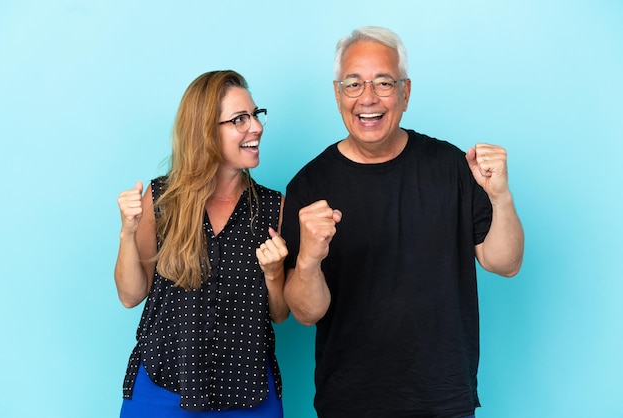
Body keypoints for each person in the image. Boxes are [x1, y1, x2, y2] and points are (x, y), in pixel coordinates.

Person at [281, 26, 524, 418]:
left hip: (443, 398)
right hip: (349, 400)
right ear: (338, 94)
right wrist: (309, 258)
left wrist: (501, 196)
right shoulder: (310, 185)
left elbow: (505, 263)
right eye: (354, 84)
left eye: (383, 82)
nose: (368, 98)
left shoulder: (451, 168)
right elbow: (307, 314)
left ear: (406, 93)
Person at [114, 70, 289, 418]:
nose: (256, 127)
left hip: (249, 391)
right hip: (164, 386)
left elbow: (280, 314)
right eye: (240, 119)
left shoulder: (273, 206)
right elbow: (131, 296)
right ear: (206, 131)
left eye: (256, 115)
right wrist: (127, 233)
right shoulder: (161, 198)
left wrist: (273, 273)